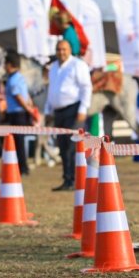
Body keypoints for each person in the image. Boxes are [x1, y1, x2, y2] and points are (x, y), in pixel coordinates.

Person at [45, 39, 92, 191]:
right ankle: (67, 179)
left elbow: (86, 88)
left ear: (70, 50)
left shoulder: (78, 65)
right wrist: (48, 111)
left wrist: (83, 109)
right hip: (58, 112)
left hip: (74, 109)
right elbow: (51, 90)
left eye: (64, 49)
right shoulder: (53, 67)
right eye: (58, 49)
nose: (61, 52)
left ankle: (77, 180)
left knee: (73, 146)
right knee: (63, 146)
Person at [2, 51, 41, 175]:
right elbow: (27, 95)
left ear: (10, 64)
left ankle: (22, 168)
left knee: (18, 142)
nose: (4, 66)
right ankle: (22, 167)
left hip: (17, 113)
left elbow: (18, 97)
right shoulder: (20, 77)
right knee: (19, 141)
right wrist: (30, 107)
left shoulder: (12, 80)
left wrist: (28, 109)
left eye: (5, 64)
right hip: (22, 113)